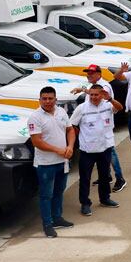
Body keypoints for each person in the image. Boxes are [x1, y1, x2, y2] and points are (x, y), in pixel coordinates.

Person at [27, 86, 75, 238]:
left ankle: (57, 218)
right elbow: (37, 142)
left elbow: (70, 130)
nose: (47, 101)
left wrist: (70, 146)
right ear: (39, 100)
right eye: (44, 99)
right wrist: (58, 150)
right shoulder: (35, 117)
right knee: (46, 195)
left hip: (63, 161)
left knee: (59, 191)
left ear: (56, 99)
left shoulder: (61, 112)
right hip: (45, 164)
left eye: (50, 98)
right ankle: (47, 224)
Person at [70, 65, 126, 192]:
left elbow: (99, 95)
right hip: (98, 126)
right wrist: (83, 89)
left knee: (110, 153)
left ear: (99, 74)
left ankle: (120, 178)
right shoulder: (96, 84)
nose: (88, 75)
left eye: (92, 73)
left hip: (104, 127)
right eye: (87, 73)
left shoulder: (103, 87)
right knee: (104, 156)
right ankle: (107, 176)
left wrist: (83, 89)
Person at [69, 83, 121, 216]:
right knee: (85, 178)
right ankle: (85, 203)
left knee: (104, 176)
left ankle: (105, 199)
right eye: (91, 95)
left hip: (105, 147)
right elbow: (72, 125)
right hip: (88, 150)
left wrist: (110, 99)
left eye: (96, 94)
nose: (93, 97)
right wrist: (82, 137)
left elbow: (120, 108)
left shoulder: (108, 105)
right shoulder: (82, 108)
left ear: (102, 94)